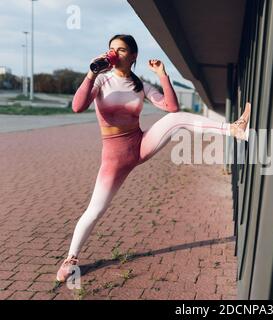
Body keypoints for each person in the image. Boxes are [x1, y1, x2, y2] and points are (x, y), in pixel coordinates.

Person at [56, 34, 251, 282]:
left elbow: (171, 108)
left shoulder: (140, 85)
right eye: (112, 49)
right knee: (95, 210)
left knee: (174, 120)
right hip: (114, 158)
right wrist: (91, 73)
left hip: (140, 145)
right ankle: (71, 259)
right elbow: (77, 106)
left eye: (122, 50)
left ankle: (234, 129)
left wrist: (162, 75)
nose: (115, 53)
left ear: (133, 56)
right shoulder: (102, 80)